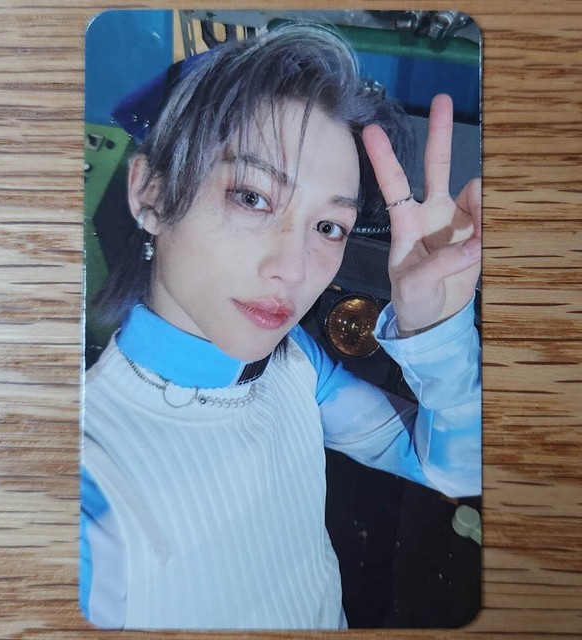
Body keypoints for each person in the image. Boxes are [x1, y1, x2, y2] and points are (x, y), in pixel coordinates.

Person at [80, 22, 481, 630]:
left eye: (329, 227)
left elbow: (456, 468)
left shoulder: (293, 366)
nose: (294, 269)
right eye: (252, 197)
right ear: (151, 193)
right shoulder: (89, 486)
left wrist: (441, 333)